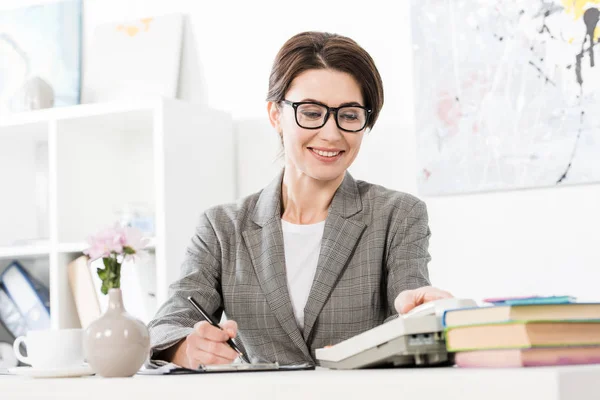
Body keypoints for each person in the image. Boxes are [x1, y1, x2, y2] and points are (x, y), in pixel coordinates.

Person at [147, 31, 452, 369]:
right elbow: (165, 327)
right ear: (275, 114)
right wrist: (186, 348)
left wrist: (425, 314)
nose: (331, 133)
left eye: (349, 115)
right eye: (310, 112)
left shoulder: (398, 214)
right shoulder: (222, 228)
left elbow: (410, 302)